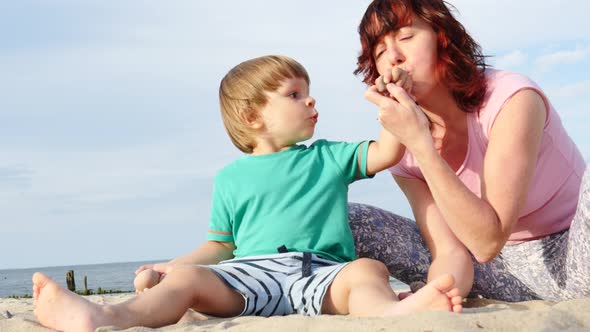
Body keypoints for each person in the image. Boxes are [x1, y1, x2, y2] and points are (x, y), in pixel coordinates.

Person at [32, 55, 463, 332]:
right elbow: (220, 246)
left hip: (323, 273)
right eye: (294, 94)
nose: (311, 102)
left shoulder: (327, 156)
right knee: (186, 282)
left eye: (309, 93)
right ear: (252, 115)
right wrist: (173, 266)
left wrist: (395, 98)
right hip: (250, 275)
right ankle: (106, 316)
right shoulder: (231, 178)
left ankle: (392, 316)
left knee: (367, 270)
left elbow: (389, 151)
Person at [348, 0, 589, 302]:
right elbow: (451, 251)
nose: (393, 57)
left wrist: (421, 143)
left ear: (442, 38)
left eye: (406, 37)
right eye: (380, 52)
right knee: (352, 218)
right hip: (501, 277)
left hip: (577, 255)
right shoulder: (402, 152)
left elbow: (489, 239)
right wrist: (438, 295)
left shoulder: (511, 99)